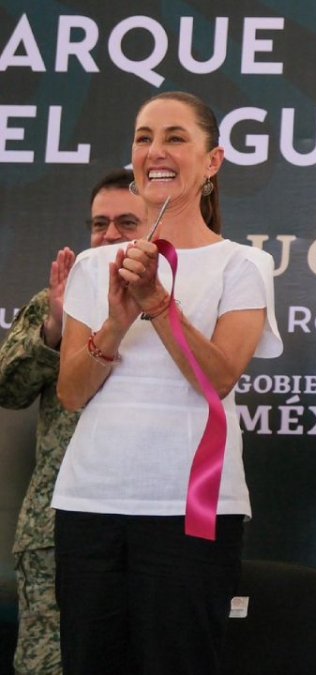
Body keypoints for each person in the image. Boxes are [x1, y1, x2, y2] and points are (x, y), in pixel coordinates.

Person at [50, 91, 282, 675]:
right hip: (89, 504)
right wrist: (117, 320)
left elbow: (220, 377)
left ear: (212, 162)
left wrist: (157, 302)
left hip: (191, 509)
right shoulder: (92, 267)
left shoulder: (243, 265)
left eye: (175, 137)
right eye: (143, 136)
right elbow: (72, 393)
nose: (155, 150)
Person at [0, 169, 146, 675]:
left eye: (127, 222)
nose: (109, 235)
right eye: (99, 224)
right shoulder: (57, 303)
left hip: (153, 524)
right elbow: (9, 389)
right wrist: (58, 326)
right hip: (56, 530)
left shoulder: (179, 305)